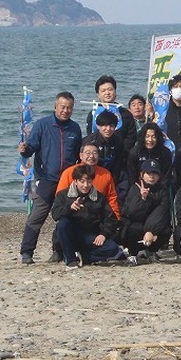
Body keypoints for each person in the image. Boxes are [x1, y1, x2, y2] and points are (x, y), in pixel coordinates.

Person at [18, 91, 82, 264]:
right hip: (46, 178)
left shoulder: (75, 128)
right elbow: (31, 148)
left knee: (65, 216)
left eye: (69, 108)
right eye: (62, 107)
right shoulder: (42, 125)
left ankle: (58, 251)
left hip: (68, 181)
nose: (65, 111)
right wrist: (25, 149)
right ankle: (27, 252)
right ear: (55, 107)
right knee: (37, 215)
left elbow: (79, 155)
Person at [51, 164, 124, 268]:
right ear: (75, 181)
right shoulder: (63, 195)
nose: (85, 185)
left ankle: (83, 257)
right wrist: (69, 208)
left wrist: (103, 234)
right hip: (69, 235)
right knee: (62, 223)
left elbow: (111, 219)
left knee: (112, 248)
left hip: (89, 236)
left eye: (89, 181)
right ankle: (70, 259)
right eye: (82, 181)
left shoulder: (99, 197)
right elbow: (55, 214)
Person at [120, 159, 171, 260]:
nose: (152, 176)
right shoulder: (135, 188)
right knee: (134, 228)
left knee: (166, 230)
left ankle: (152, 251)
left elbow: (162, 210)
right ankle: (133, 253)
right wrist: (142, 199)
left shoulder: (162, 190)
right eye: (148, 173)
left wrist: (150, 231)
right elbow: (131, 213)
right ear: (142, 174)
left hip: (153, 226)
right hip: (138, 224)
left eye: (155, 173)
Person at [85, 75, 137, 152]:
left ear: (115, 92)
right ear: (98, 95)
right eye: (103, 91)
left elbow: (131, 137)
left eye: (110, 90)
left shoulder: (125, 114)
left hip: (121, 155)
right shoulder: (93, 114)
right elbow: (90, 135)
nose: (107, 93)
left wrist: (120, 151)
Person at [82, 110, 127, 199]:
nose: (108, 129)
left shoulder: (119, 142)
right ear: (98, 126)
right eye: (104, 125)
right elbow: (82, 163)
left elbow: (118, 165)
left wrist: (112, 183)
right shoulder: (89, 141)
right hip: (91, 176)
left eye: (111, 126)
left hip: (110, 175)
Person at [126, 122, 174, 187]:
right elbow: (132, 177)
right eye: (147, 136)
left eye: (153, 137)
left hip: (160, 189)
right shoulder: (134, 152)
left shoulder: (165, 152)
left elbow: (166, 176)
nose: (150, 140)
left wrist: (161, 192)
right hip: (140, 188)